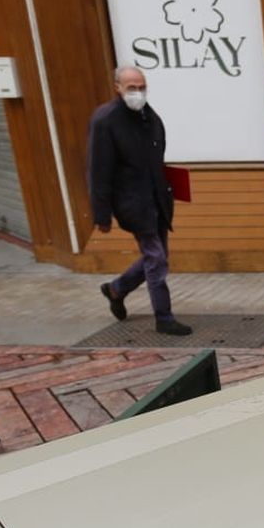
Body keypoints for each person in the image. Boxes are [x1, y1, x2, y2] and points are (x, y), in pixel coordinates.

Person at [88, 67, 192, 335]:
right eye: (131, 87)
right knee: (156, 258)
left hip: (158, 198)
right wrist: (102, 214)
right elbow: (99, 170)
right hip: (132, 203)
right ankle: (164, 317)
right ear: (117, 87)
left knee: (156, 256)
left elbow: (158, 156)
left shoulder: (149, 116)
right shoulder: (106, 120)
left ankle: (116, 289)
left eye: (142, 86)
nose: (138, 92)